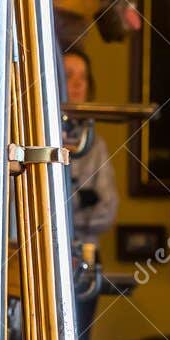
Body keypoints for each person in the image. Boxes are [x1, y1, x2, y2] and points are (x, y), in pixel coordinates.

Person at [62, 45, 120, 241]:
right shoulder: (28, 139)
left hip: (82, 252)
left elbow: (107, 211)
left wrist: (63, 215)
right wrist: (82, 199)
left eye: (83, 77)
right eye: (68, 75)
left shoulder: (94, 145)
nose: (78, 84)